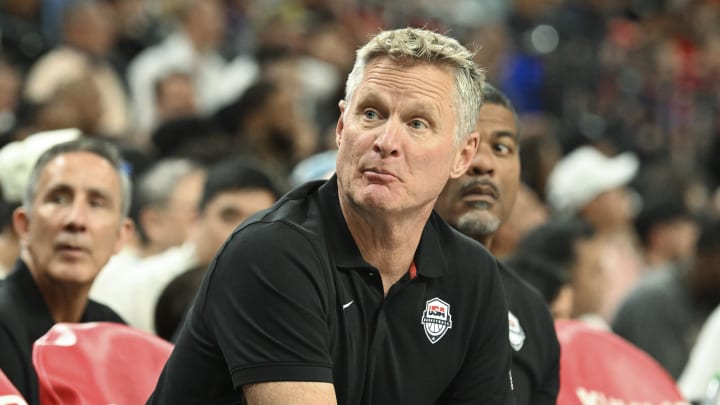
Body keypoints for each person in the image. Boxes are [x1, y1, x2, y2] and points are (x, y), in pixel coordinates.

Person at [148, 27, 514, 404]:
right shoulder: (272, 252)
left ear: (463, 156)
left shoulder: (474, 275)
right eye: (371, 113)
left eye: (417, 123)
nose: (386, 142)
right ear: (341, 127)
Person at [433, 82, 559, 405]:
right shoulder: (384, 278)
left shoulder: (534, 313)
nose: (483, 164)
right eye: (466, 144)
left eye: (501, 148)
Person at [0, 137, 133, 405]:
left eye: (96, 203)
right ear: (23, 225)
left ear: (121, 236)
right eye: (58, 199)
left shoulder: (115, 333)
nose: (76, 220)